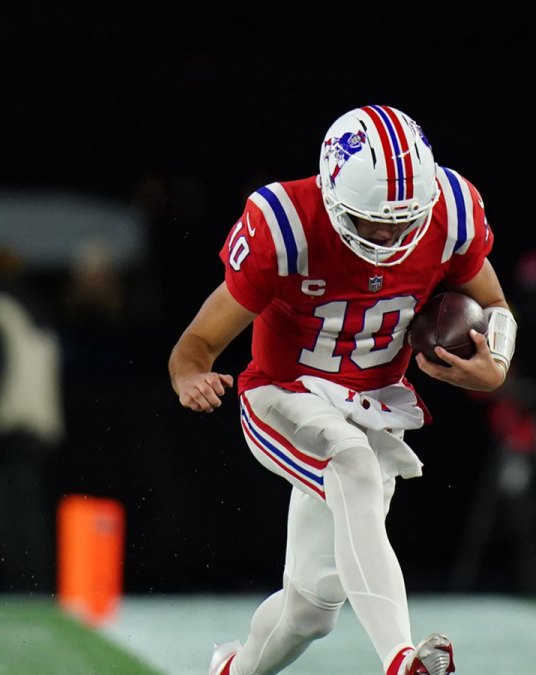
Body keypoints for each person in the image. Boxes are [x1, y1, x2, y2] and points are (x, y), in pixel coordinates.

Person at [169, 105, 516, 675]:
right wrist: (190, 375)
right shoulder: (286, 223)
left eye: (404, 220)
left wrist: (495, 362)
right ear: (332, 197)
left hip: (375, 406)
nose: (389, 234)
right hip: (284, 395)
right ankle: (403, 661)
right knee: (350, 462)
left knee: (313, 608)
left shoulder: (451, 210)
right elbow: (198, 341)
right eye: (374, 220)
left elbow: (497, 305)